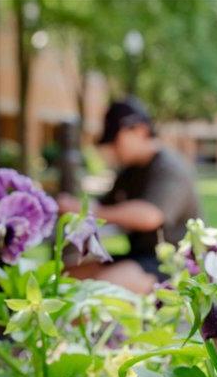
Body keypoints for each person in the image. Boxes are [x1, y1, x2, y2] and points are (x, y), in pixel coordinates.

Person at [57, 97, 201, 293]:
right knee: (63, 279)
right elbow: (106, 205)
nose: (112, 148)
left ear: (139, 130)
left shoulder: (169, 168)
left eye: (115, 140)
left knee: (93, 293)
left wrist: (91, 210)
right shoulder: (129, 172)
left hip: (173, 265)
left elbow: (150, 216)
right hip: (138, 257)